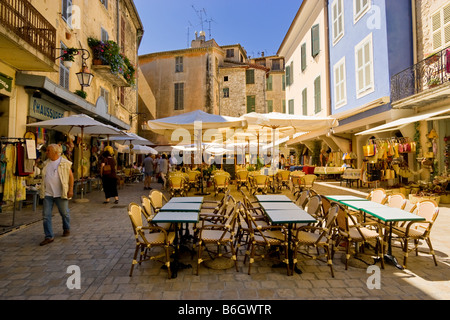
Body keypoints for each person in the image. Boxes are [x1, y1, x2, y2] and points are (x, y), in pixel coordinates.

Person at [39, 144, 74, 246]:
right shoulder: (46, 163)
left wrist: (70, 189)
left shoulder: (64, 163)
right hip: (47, 193)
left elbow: (71, 176)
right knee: (46, 215)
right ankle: (49, 236)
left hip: (60, 193)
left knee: (64, 213)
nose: (46, 152)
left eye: (48, 150)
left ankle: (66, 228)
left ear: (55, 152)